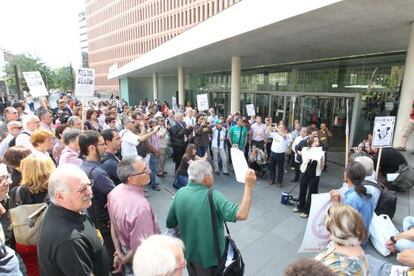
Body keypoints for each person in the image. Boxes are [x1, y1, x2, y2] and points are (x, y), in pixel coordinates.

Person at [166, 160, 256, 275]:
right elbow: (241, 214)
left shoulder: (180, 193)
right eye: (212, 174)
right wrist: (248, 186)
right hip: (210, 259)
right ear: (207, 178)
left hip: (188, 254)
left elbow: (170, 223)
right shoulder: (213, 196)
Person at [37, 164, 110, 275]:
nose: (90, 192)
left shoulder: (75, 208)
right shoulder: (69, 240)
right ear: (60, 196)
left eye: (89, 184)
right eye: (82, 189)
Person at [108, 157, 161, 275]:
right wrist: (125, 260)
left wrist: (118, 252)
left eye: (147, 167)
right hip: (142, 262)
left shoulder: (114, 193)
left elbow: (113, 223)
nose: (149, 171)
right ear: (131, 179)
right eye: (144, 170)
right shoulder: (141, 207)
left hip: (125, 252)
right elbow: (141, 245)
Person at [9, 154, 54, 276]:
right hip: (51, 242)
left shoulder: (16, 192)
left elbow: (12, 219)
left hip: (25, 242)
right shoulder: (55, 191)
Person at [79, 130, 116, 262]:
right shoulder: (98, 173)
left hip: (95, 221)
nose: (105, 146)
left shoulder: (83, 166)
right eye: (102, 144)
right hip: (104, 224)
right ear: (91, 148)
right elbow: (117, 195)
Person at [315, 204, 369, 275]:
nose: (327, 233)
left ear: (339, 233)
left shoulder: (340, 270)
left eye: (329, 230)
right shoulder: (353, 245)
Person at [330, 162, 374, 233]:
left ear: (346, 175)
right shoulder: (368, 192)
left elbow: (343, 224)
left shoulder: (351, 198)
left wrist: (335, 203)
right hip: (363, 236)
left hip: (351, 239)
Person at [293, 136, 324, 218]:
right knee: (302, 189)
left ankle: (307, 210)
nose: (317, 143)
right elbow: (305, 160)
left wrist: (320, 159)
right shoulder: (305, 149)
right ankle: (300, 206)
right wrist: (313, 156)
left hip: (315, 174)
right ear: (310, 143)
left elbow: (321, 167)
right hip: (305, 172)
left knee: (312, 191)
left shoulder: (321, 152)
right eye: (315, 141)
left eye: (317, 141)